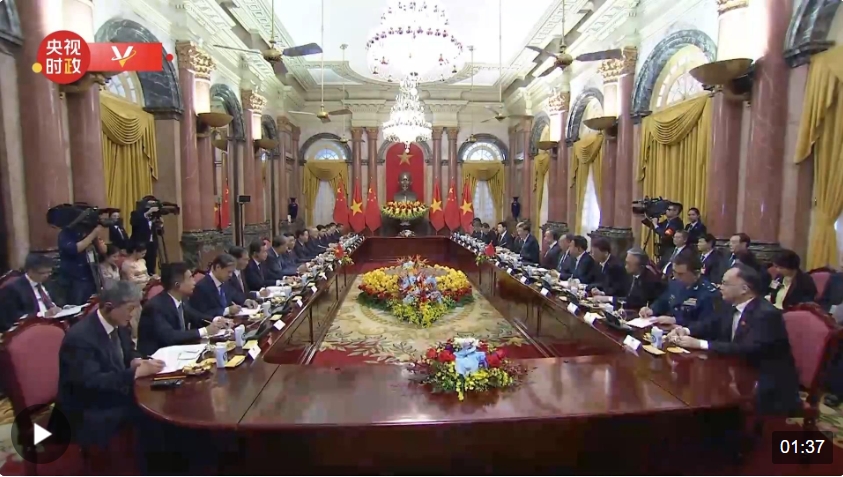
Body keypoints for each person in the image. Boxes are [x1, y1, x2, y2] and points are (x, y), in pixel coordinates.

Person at [667, 265, 801, 415]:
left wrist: (700, 344)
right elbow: (711, 324)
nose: (720, 287)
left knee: (708, 399)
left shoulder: (766, 314)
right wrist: (686, 330)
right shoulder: (731, 306)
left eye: (725, 283)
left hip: (767, 381)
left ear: (744, 289)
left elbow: (746, 348)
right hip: (736, 371)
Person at [54, 280, 165, 448]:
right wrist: (134, 373)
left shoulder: (118, 323)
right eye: (130, 309)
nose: (133, 314)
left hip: (114, 391)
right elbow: (91, 383)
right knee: (150, 412)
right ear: (109, 306)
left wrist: (135, 360)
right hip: (87, 409)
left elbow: (130, 350)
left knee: (160, 394)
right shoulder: (80, 338)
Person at [137, 262, 227, 355]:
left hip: (178, 351)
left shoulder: (181, 301)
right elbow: (170, 336)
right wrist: (205, 331)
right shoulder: (155, 307)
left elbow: (197, 316)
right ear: (177, 285)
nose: (194, 282)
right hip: (157, 357)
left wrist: (217, 320)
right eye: (190, 278)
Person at [640, 253, 722, 327]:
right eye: (674, 272)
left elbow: (705, 324)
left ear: (696, 274)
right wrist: (651, 310)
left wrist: (676, 320)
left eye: (680, 274)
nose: (676, 277)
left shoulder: (708, 293)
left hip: (690, 335)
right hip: (669, 330)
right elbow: (664, 301)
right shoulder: (675, 283)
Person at [0, 253, 61, 331]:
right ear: (30, 271)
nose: (46, 275)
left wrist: (59, 308)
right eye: (42, 273)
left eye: (49, 272)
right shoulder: (13, 289)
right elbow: (12, 318)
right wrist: (42, 315)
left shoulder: (49, 282)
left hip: (56, 321)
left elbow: (58, 301)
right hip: (32, 328)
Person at [592, 248, 662, 310]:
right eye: (626, 263)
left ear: (640, 266)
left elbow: (635, 302)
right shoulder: (628, 274)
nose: (625, 266)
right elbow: (619, 290)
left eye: (628, 264)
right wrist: (603, 294)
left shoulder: (649, 279)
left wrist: (608, 299)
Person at [57, 222, 106, 306]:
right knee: (77, 306)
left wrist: (96, 237)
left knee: (93, 305)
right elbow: (74, 249)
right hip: (75, 279)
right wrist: (93, 234)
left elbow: (103, 250)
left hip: (92, 275)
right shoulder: (66, 233)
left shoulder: (90, 232)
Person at [130, 198, 160, 275]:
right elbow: (134, 223)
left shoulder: (154, 216)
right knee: (140, 266)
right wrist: (147, 213)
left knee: (151, 267)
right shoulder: (136, 214)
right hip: (141, 244)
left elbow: (159, 232)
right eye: (151, 204)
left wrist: (161, 225)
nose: (152, 206)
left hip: (152, 244)